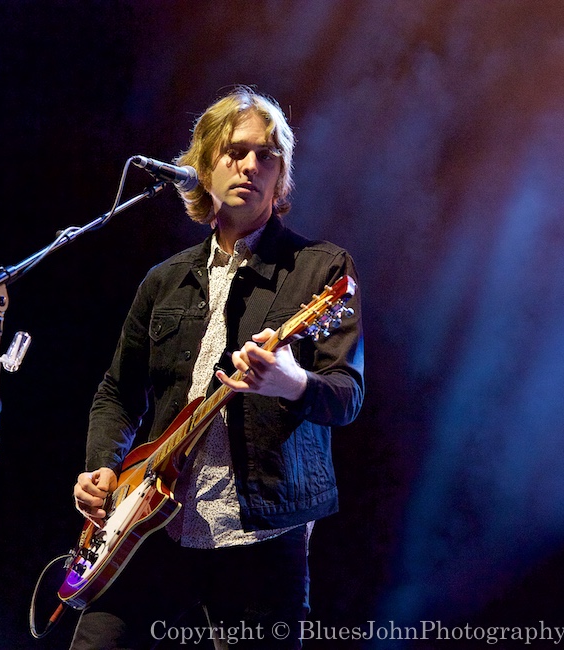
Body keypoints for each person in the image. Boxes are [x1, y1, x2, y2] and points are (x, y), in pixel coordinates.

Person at [70, 86, 365, 648]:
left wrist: (288, 381)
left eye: (268, 155)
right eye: (235, 151)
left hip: (257, 543)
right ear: (203, 168)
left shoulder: (320, 268)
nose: (251, 164)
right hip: (147, 528)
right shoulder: (163, 280)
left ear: (281, 179)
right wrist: (102, 467)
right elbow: (117, 392)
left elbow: (347, 395)